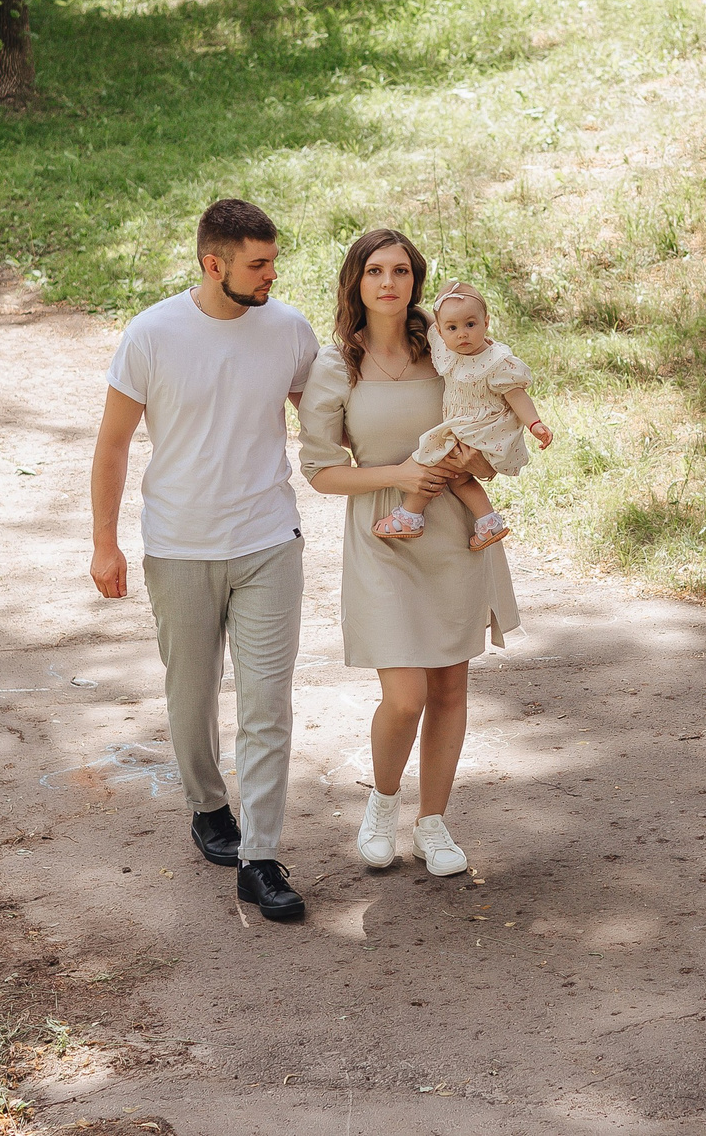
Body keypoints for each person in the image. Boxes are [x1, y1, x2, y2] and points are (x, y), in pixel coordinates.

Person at [88, 199, 320, 923]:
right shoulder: (153, 334)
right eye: (258, 263)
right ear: (213, 263)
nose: (272, 274)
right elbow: (115, 443)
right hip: (180, 544)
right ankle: (207, 804)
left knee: (265, 703)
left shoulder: (288, 331)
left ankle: (260, 856)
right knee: (192, 693)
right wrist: (105, 541)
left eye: (274, 259)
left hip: (266, 540)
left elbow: (329, 414)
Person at [298, 229, 523, 879]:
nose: (389, 282)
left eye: (401, 270)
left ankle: (431, 822)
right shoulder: (337, 363)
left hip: (454, 530)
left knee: (450, 685)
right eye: (375, 270)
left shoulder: (449, 346)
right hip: (385, 532)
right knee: (404, 694)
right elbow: (319, 469)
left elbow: (493, 417)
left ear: (415, 280)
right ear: (356, 282)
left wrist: (475, 460)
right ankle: (381, 803)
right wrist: (396, 475)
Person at [370, 281, 549, 551]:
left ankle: (410, 515)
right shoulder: (446, 348)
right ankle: (488, 521)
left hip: (482, 428)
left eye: (471, 325)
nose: (462, 334)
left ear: (486, 323)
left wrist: (534, 424)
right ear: (440, 331)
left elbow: (517, 396)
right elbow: (430, 318)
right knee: (459, 478)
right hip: (461, 426)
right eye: (452, 328)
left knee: (430, 458)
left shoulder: (496, 360)